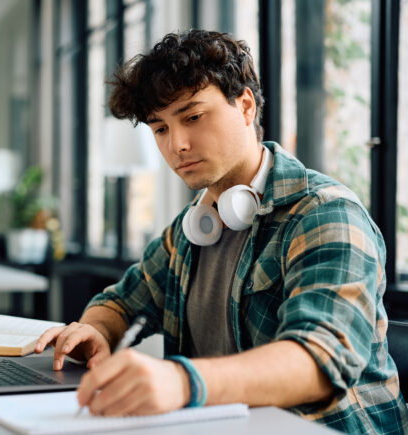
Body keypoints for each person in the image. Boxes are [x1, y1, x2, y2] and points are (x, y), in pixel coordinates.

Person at [35, 30, 407, 433]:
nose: (177, 144)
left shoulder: (325, 215)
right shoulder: (191, 229)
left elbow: (320, 361)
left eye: (193, 116)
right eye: (160, 128)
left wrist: (182, 381)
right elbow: (121, 302)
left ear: (245, 106)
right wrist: (96, 330)